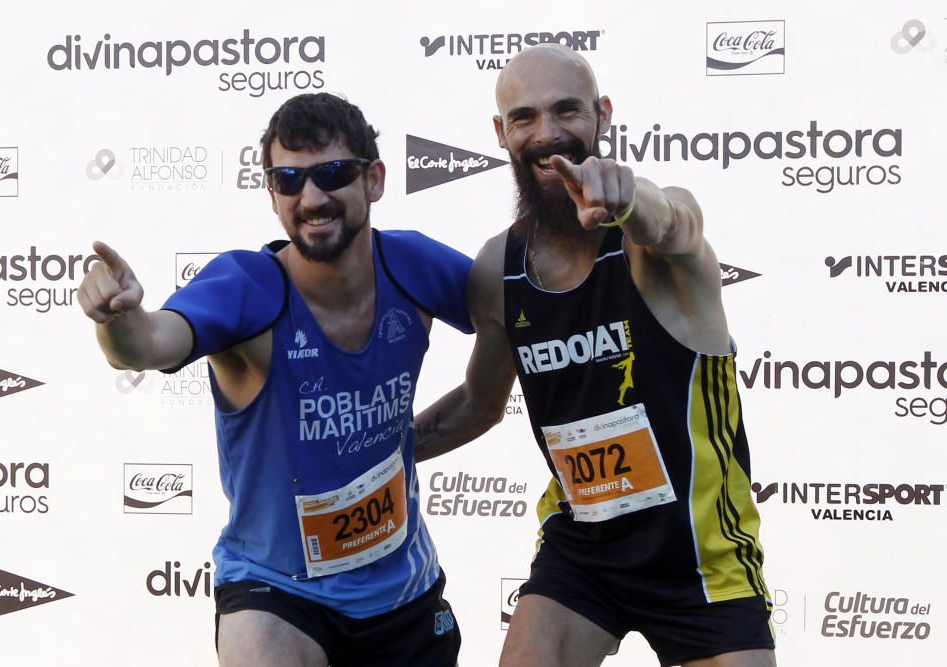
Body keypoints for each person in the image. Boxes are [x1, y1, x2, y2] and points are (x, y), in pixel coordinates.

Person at [78, 93, 470, 667]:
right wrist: (118, 319)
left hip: (403, 593)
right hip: (276, 591)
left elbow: (526, 314)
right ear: (271, 194)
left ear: (375, 180)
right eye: (288, 180)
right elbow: (147, 345)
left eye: (332, 174)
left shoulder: (414, 267)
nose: (311, 199)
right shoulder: (250, 285)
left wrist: (465, 411)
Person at [414, 45, 776, 667]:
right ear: (500, 134)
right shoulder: (498, 267)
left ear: (603, 116)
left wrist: (631, 200)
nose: (548, 134)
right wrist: (375, 455)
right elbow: (479, 403)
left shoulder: (652, 245)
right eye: (524, 117)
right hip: (582, 551)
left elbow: (678, 223)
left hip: (699, 557)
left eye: (567, 111)